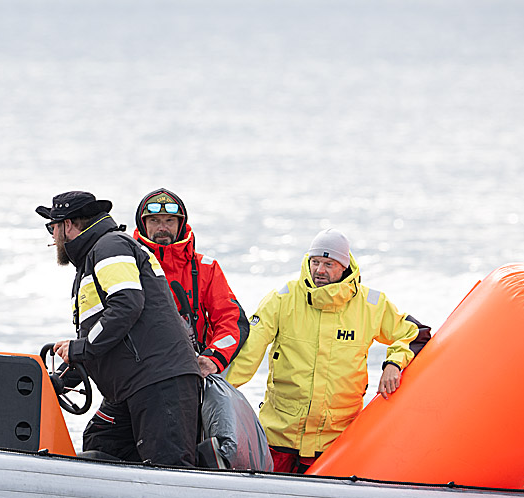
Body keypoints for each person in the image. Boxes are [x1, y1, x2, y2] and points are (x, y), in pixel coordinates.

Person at [225, 229, 431, 474]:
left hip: (337, 441)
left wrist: (394, 363)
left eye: (329, 264)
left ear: (344, 266)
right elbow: (247, 355)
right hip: (280, 437)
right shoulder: (282, 299)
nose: (320, 270)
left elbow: (415, 332)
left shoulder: (372, 304)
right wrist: (214, 387)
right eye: (315, 262)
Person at [37, 190, 203, 467]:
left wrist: (81, 348)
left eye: (52, 227)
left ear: (67, 225)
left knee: (169, 467)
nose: (52, 237)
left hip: (158, 381)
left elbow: (127, 305)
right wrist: (62, 378)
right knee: (101, 441)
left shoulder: (110, 247)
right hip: (132, 387)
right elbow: (106, 335)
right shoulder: (95, 257)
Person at [133, 188, 250, 378]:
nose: (162, 227)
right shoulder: (127, 266)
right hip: (138, 372)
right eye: (154, 221)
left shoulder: (207, 267)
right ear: (143, 223)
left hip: (193, 370)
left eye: (169, 220)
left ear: (180, 224)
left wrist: (213, 358)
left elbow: (231, 319)